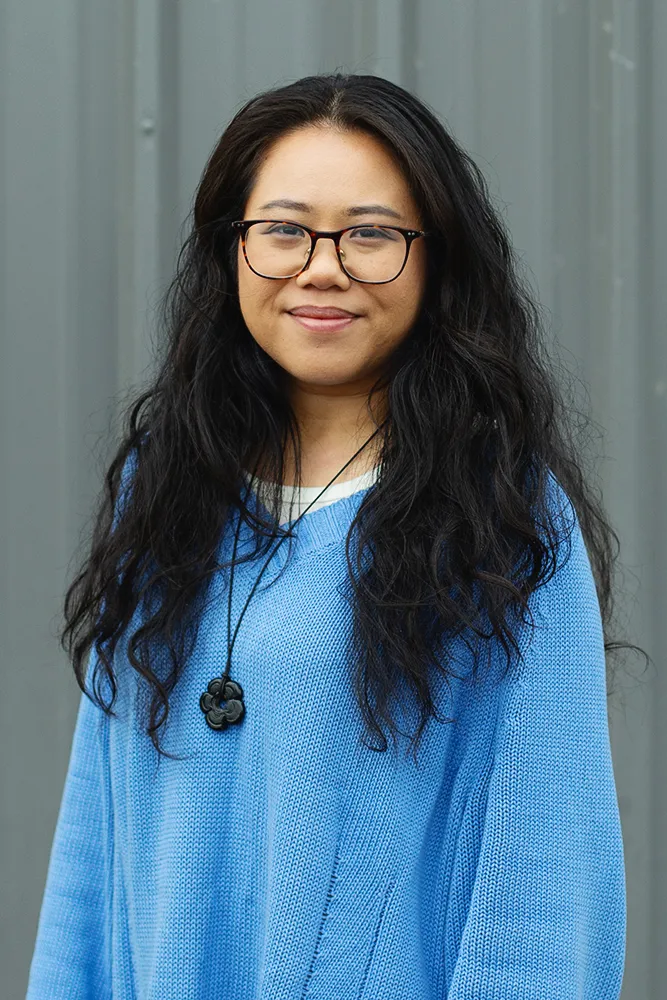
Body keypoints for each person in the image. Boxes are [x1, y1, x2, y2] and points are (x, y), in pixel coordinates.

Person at [26, 72, 635, 999]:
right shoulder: (166, 488)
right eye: (282, 229)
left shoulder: (503, 518)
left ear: (435, 260)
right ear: (231, 251)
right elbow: (94, 843)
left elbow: (542, 890)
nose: (322, 267)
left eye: (370, 234)